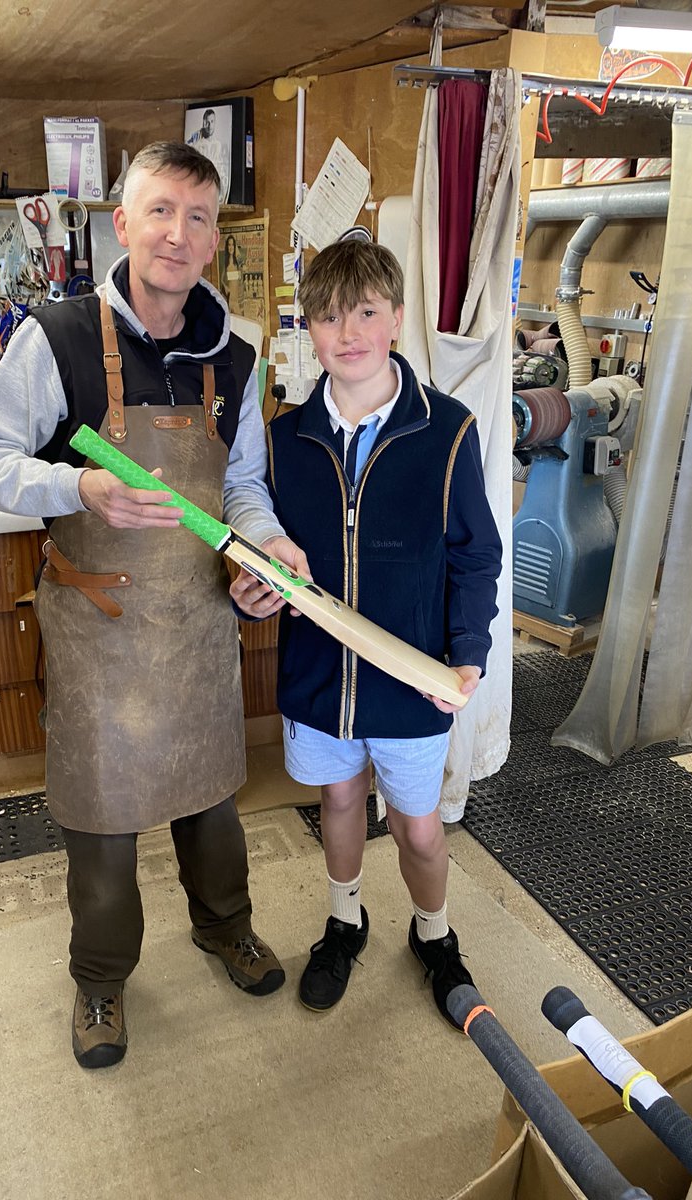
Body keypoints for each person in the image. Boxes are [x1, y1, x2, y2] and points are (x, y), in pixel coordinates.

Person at [0, 142, 300, 1070]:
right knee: (102, 825)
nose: (177, 235)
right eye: (159, 211)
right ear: (123, 223)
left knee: (212, 803)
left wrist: (263, 548)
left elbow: (246, 489)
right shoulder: (56, 335)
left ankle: (225, 928)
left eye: (197, 217)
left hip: (194, 624)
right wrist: (78, 490)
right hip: (100, 635)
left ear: (212, 238)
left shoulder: (239, 354)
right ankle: (100, 981)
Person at [230, 240, 502, 1027]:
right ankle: (345, 921)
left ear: (397, 320)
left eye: (366, 313)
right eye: (325, 316)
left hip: (411, 678)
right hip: (318, 680)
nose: (346, 332)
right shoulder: (283, 442)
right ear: (306, 329)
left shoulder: (446, 430)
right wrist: (252, 595)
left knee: (419, 827)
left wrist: (469, 651)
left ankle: (434, 934)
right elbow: (263, 560)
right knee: (339, 800)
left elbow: (475, 553)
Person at [186, 108, 230, 205]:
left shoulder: (219, 145)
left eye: (212, 121)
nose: (210, 125)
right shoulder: (196, 146)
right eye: (207, 122)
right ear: (203, 122)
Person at [220, 234, 245, 313]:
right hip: (230, 297)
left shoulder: (237, 261)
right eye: (229, 245)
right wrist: (225, 287)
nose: (231, 247)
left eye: (233, 245)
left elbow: (244, 269)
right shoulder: (226, 262)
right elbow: (221, 279)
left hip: (237, 297)